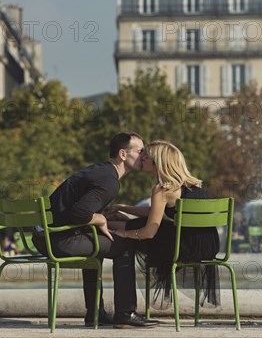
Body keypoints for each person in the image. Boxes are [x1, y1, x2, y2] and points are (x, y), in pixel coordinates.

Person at [31, 131, 159, 329]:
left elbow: (75, 211)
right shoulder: (109, 181)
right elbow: (78, 214)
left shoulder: (101, 171)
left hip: (45, 236)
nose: (144, 156)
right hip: (58, 240)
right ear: (123, 154)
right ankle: (125, 313)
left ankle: (94, 314)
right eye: (140, 151)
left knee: (99, 242)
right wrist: (99, 218)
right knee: (125, 245)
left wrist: (104, 217)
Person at [108, 140, 220, 309]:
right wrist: (124, 208)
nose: (142, 158)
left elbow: (149, 232)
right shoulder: (193, 187)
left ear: (157, 162)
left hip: (182, 248)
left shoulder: (162, 189)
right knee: (143, 223)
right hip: (207, 247)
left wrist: (126, 234)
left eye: (146, 156)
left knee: (134, 232)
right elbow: (154, 211)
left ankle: (102, 226)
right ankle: (110, 223)